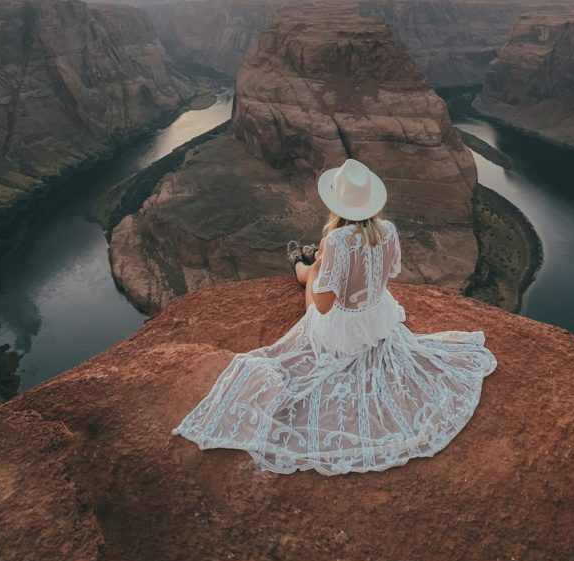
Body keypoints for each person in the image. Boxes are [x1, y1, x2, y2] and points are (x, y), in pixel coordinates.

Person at [171, 158, 498, 475]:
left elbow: (325, 306)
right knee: (321, 262)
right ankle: (307, 263)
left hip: (342, 331)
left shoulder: (337, 240)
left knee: (313, 271)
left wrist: (322, 267)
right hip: (379, 319)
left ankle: (301, 265)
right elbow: (389, 274)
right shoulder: (388, 230)